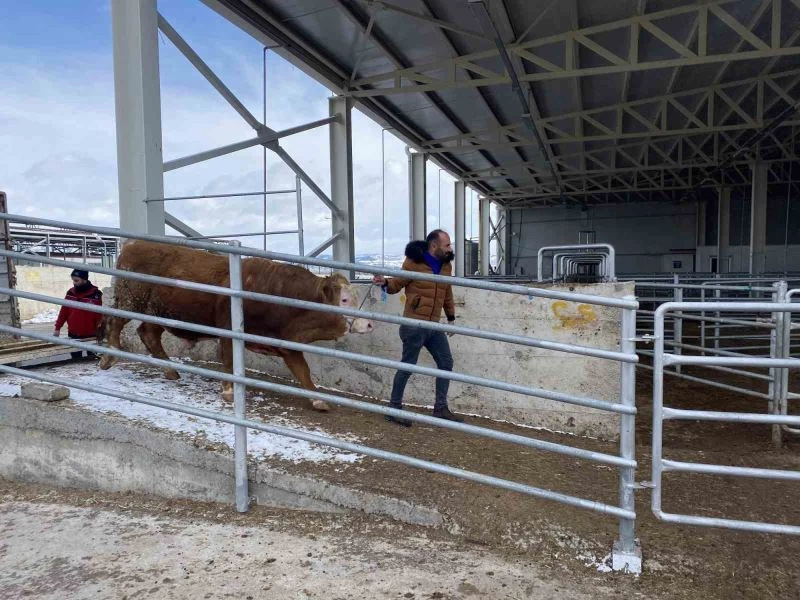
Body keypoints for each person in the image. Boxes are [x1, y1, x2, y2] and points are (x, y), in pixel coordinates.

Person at [372, 229, 463, 427]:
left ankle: (440, 409)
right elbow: (396, 284)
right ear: (434, 246)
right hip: (413, 324)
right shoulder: (413, 262)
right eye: (447, 245)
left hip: (433, 325)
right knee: (407, 366)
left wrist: (451, 317)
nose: (450, 249)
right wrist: (384, 282)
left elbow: (447, 292)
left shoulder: (446, 266)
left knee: (446, 363)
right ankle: (393, 408)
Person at [53, 269, 103, 359]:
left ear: (84, 280)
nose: (74, 283)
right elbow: (63, 312)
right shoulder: (70, 293)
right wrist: (57, 328)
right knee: (75, 361)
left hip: (91, 335)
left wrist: (100, 332)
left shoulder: (96, 295)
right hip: (73, 335)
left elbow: (100, 316)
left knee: (92, 360)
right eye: (73, 280)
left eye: (76, 280)